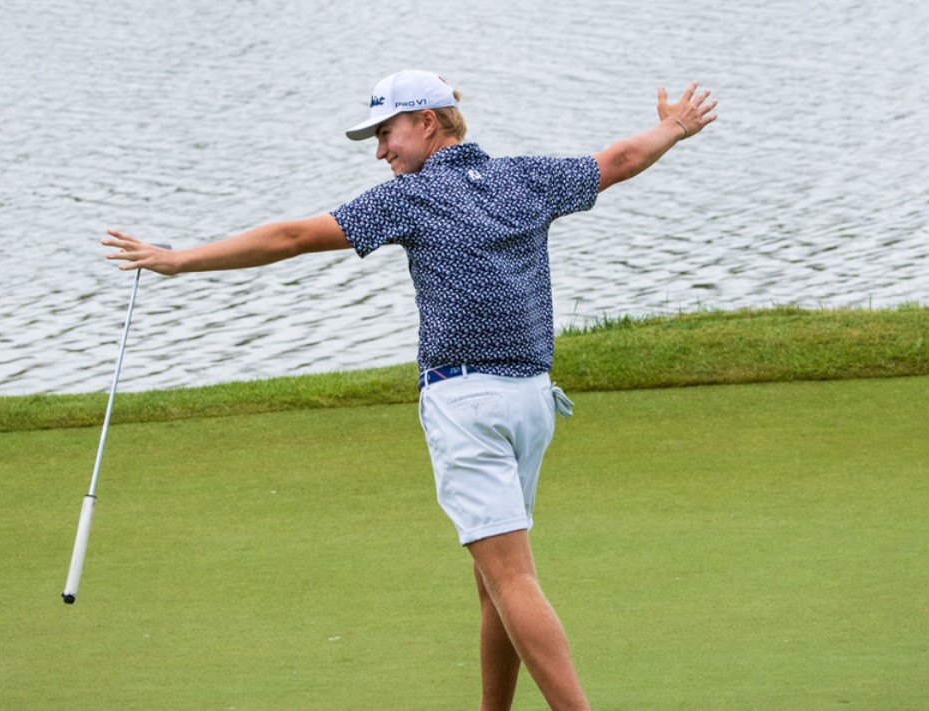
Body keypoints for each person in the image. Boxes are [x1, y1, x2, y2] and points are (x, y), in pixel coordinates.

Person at [102, 69, 716, 711]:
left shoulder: (410, 198)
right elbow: (618, 161)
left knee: (511, 577)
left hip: (465, 405)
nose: (380, 151)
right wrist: (675, 125)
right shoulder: (526, 177)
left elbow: (290, 238)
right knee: (495, 583)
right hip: (533, 401)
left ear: (427, 121)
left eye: (386, 133)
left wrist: (178, 260)